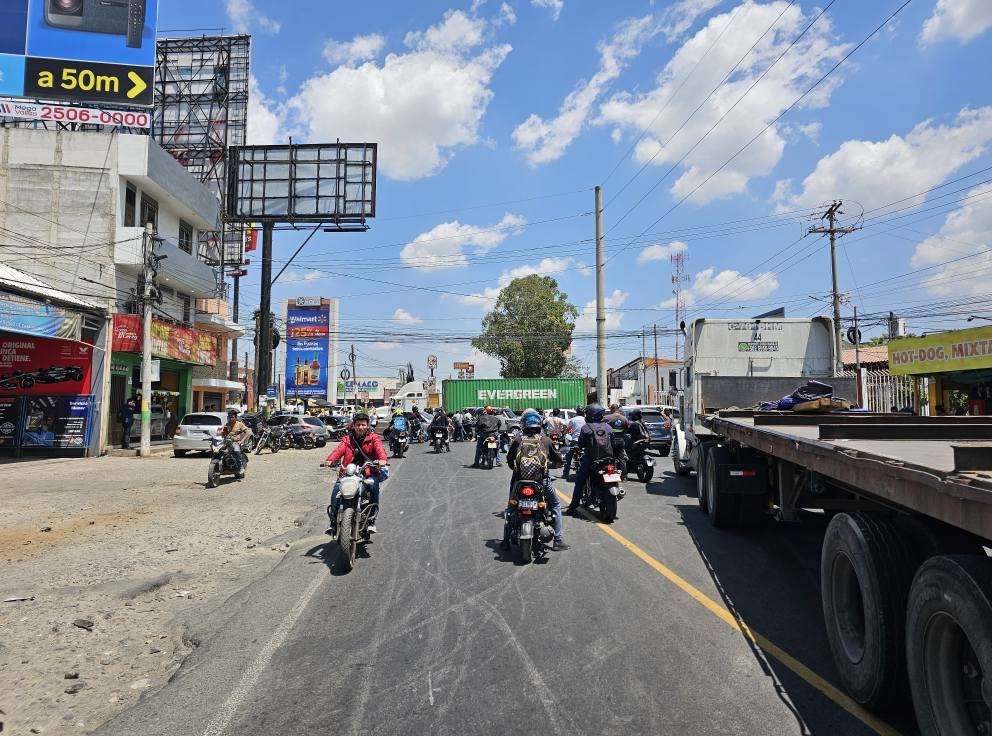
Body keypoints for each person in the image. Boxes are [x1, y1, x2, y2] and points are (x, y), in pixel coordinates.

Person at [505, 409, 569, 550]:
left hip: (519, 481)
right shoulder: (545, 440)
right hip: (542, 482)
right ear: (539, 424)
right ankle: (558, 540)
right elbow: (558, 460)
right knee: (556, 506)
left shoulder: (517, 440)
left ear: (523, 424)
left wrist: (516, 471)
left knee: (511, 507)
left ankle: (505, 540)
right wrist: (553, 465)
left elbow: (509, 459)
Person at [324, 411, 389, 535]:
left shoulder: (373, 438)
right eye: (358, 425)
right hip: (348, 472)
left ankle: (371, 520)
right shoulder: (347, 439)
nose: (361, 427)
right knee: (336, 493)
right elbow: (339, 450)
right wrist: (330, 460)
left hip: (367, 471)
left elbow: (380, 449)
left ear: (368, 425)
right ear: (353, 425)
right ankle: (333, 522)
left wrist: (382, 460)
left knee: (374, 487)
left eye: (363, 425)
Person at [566, 404, 613, 515]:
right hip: (608, 460)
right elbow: (614, 443)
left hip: (591, 460)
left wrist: (578, 447)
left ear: (591, 415)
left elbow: (581, 444)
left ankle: (573, 508)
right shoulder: (608, 427)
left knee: (579, 482)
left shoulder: (586, 428)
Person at [603, 403, 631, 477]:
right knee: (621, 458)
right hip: (620, 440)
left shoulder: (606, 418)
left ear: (611, 409)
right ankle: (624, 475)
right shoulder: (624, 418)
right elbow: (627, 429)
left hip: (609, 441)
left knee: (609, 457)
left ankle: (610, 473)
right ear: (618, 409)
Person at [563, 406, 587, 478]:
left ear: (577, 412)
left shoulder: (573, 420)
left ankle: (565, 474)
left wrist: (564, 433)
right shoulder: (586, 419)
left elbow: (567, 429)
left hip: (575, 441)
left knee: (568, 456)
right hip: (584, 441)